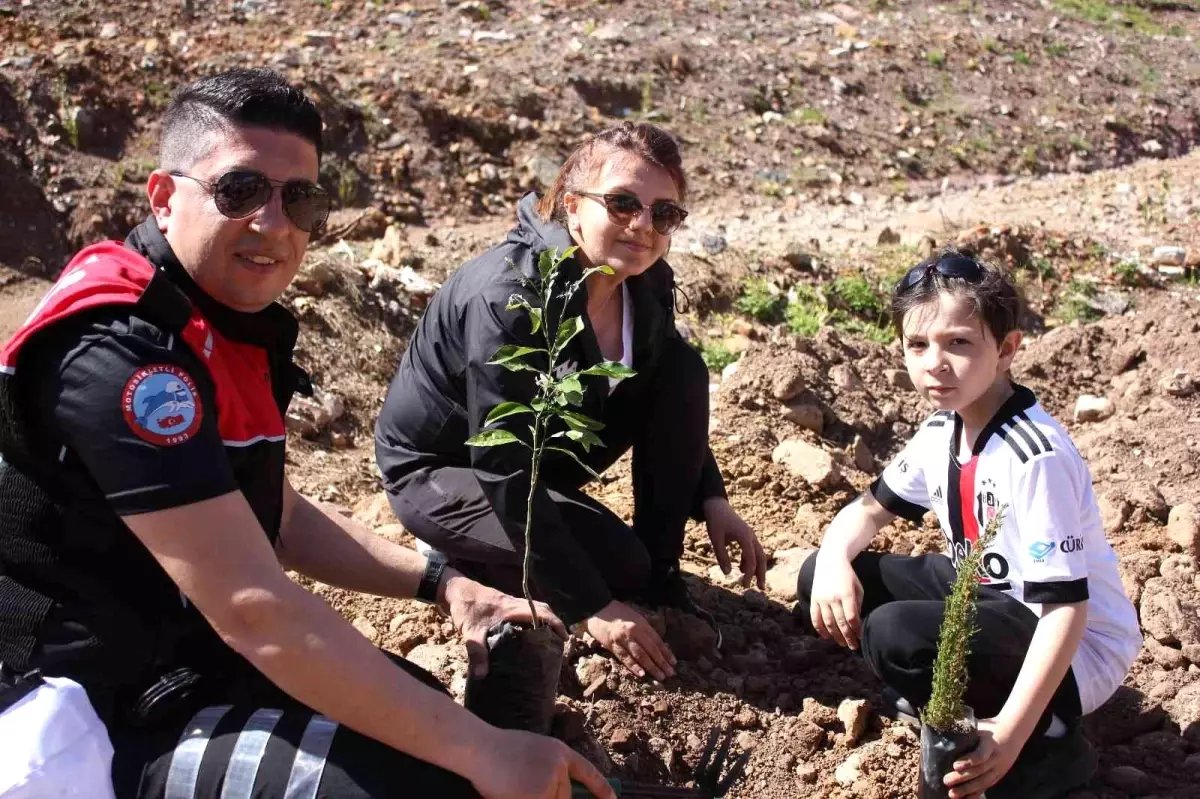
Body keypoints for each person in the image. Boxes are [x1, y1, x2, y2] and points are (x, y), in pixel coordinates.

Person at [0, 68, 613, 799]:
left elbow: (277, 515)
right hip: (78, 714)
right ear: (164, 199)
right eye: (240, 191)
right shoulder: (123, 356)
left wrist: (445, 584)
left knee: (421, 721)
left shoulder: (211, 324)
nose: (273, 223)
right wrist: (487, 752)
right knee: (430, 778)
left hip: (176, 665)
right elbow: (255, 606)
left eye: (301, 199)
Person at [375, 122, 766, 683]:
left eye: (665, 214)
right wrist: (592, 609)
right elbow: (501, 461)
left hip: (544, 452)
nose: (642, 226)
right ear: (572, 206)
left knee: (682, 369)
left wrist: (712, 498)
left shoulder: (644, 283)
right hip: (447, 467)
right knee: (611, 568)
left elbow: (665, 396)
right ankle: (459, 558)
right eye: (623, 202)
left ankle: (661, 579)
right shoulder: (511, 298)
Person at [794, 251, 1141, 799]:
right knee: (821, 576)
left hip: (1075, 648)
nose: (935, 362)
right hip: (986, 593)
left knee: (894, 635)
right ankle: (970, 700)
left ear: (1005, 351)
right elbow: (867, 510)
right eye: (918, 345)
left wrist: (1010, 732)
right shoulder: (942, 431)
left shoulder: (1034, 456)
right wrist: (837, 559)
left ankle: (1048, 742)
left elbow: (1066, 610)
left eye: (958, 343)